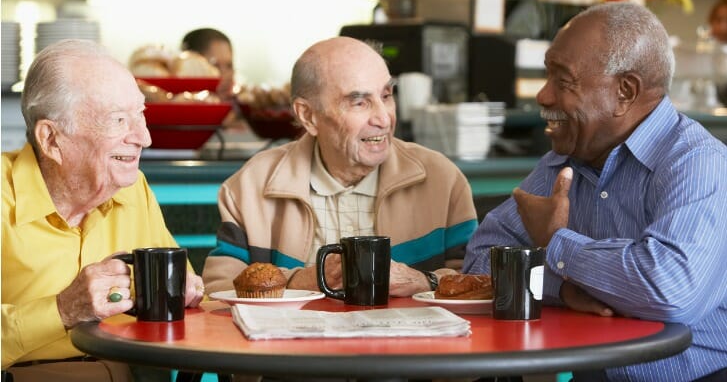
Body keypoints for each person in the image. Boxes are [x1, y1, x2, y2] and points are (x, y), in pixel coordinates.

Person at [463, 2, 727, 382]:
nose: (543, 96)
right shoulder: (567, 159)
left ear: (625, 91)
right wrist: (564, 290)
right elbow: (481, 261)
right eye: (546, 76)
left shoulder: (698, 164)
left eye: (563, 81)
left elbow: (670, 291)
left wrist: (556, 243)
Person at [202, 36, 478, 297]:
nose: (384, 118)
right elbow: (218, 291)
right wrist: (303, 281)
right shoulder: (251, 185)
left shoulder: (442, 179)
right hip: (290, 346)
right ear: (308, 116)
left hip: (410, 346)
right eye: (359, 102)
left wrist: (423, 281)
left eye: (386, 96)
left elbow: (480, 280)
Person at [1, 39, 205, 381]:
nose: (144, 137)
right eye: (118, 120)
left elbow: (187, 296)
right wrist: (62, 310)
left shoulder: (134, 188)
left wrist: (187, 294)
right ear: (51, 139)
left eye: (141, 115)